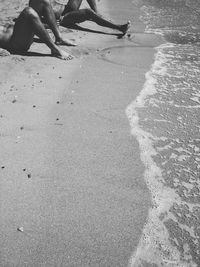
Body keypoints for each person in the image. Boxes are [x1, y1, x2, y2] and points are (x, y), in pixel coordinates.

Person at [0, 7, 73, 60]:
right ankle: (55, 49)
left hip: (18, 32)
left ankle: (58, 37)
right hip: (15, 42)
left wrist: (40, 25)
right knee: (28, 12)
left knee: (42, 1)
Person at [29, 0, 130, 36]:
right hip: (63, 18)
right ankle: (119, 27)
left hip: (66, 9)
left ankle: (97, 14)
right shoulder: (35, 2)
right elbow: (35, 21)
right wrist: (54, 24)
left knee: (92, 13)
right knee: (87, 12)